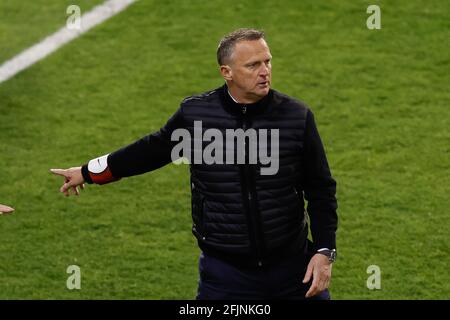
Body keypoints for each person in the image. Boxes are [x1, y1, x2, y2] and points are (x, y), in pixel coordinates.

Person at [51, 28, 338, 300]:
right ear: (227, 72)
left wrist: (324, 250)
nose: (265, 71)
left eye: (268, 61)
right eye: (253, 65)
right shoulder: (196, 116)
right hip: (226, 274)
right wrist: (88, 172)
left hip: (293, 269)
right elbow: (150, 151)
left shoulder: (296, 117)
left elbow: (320, 189)